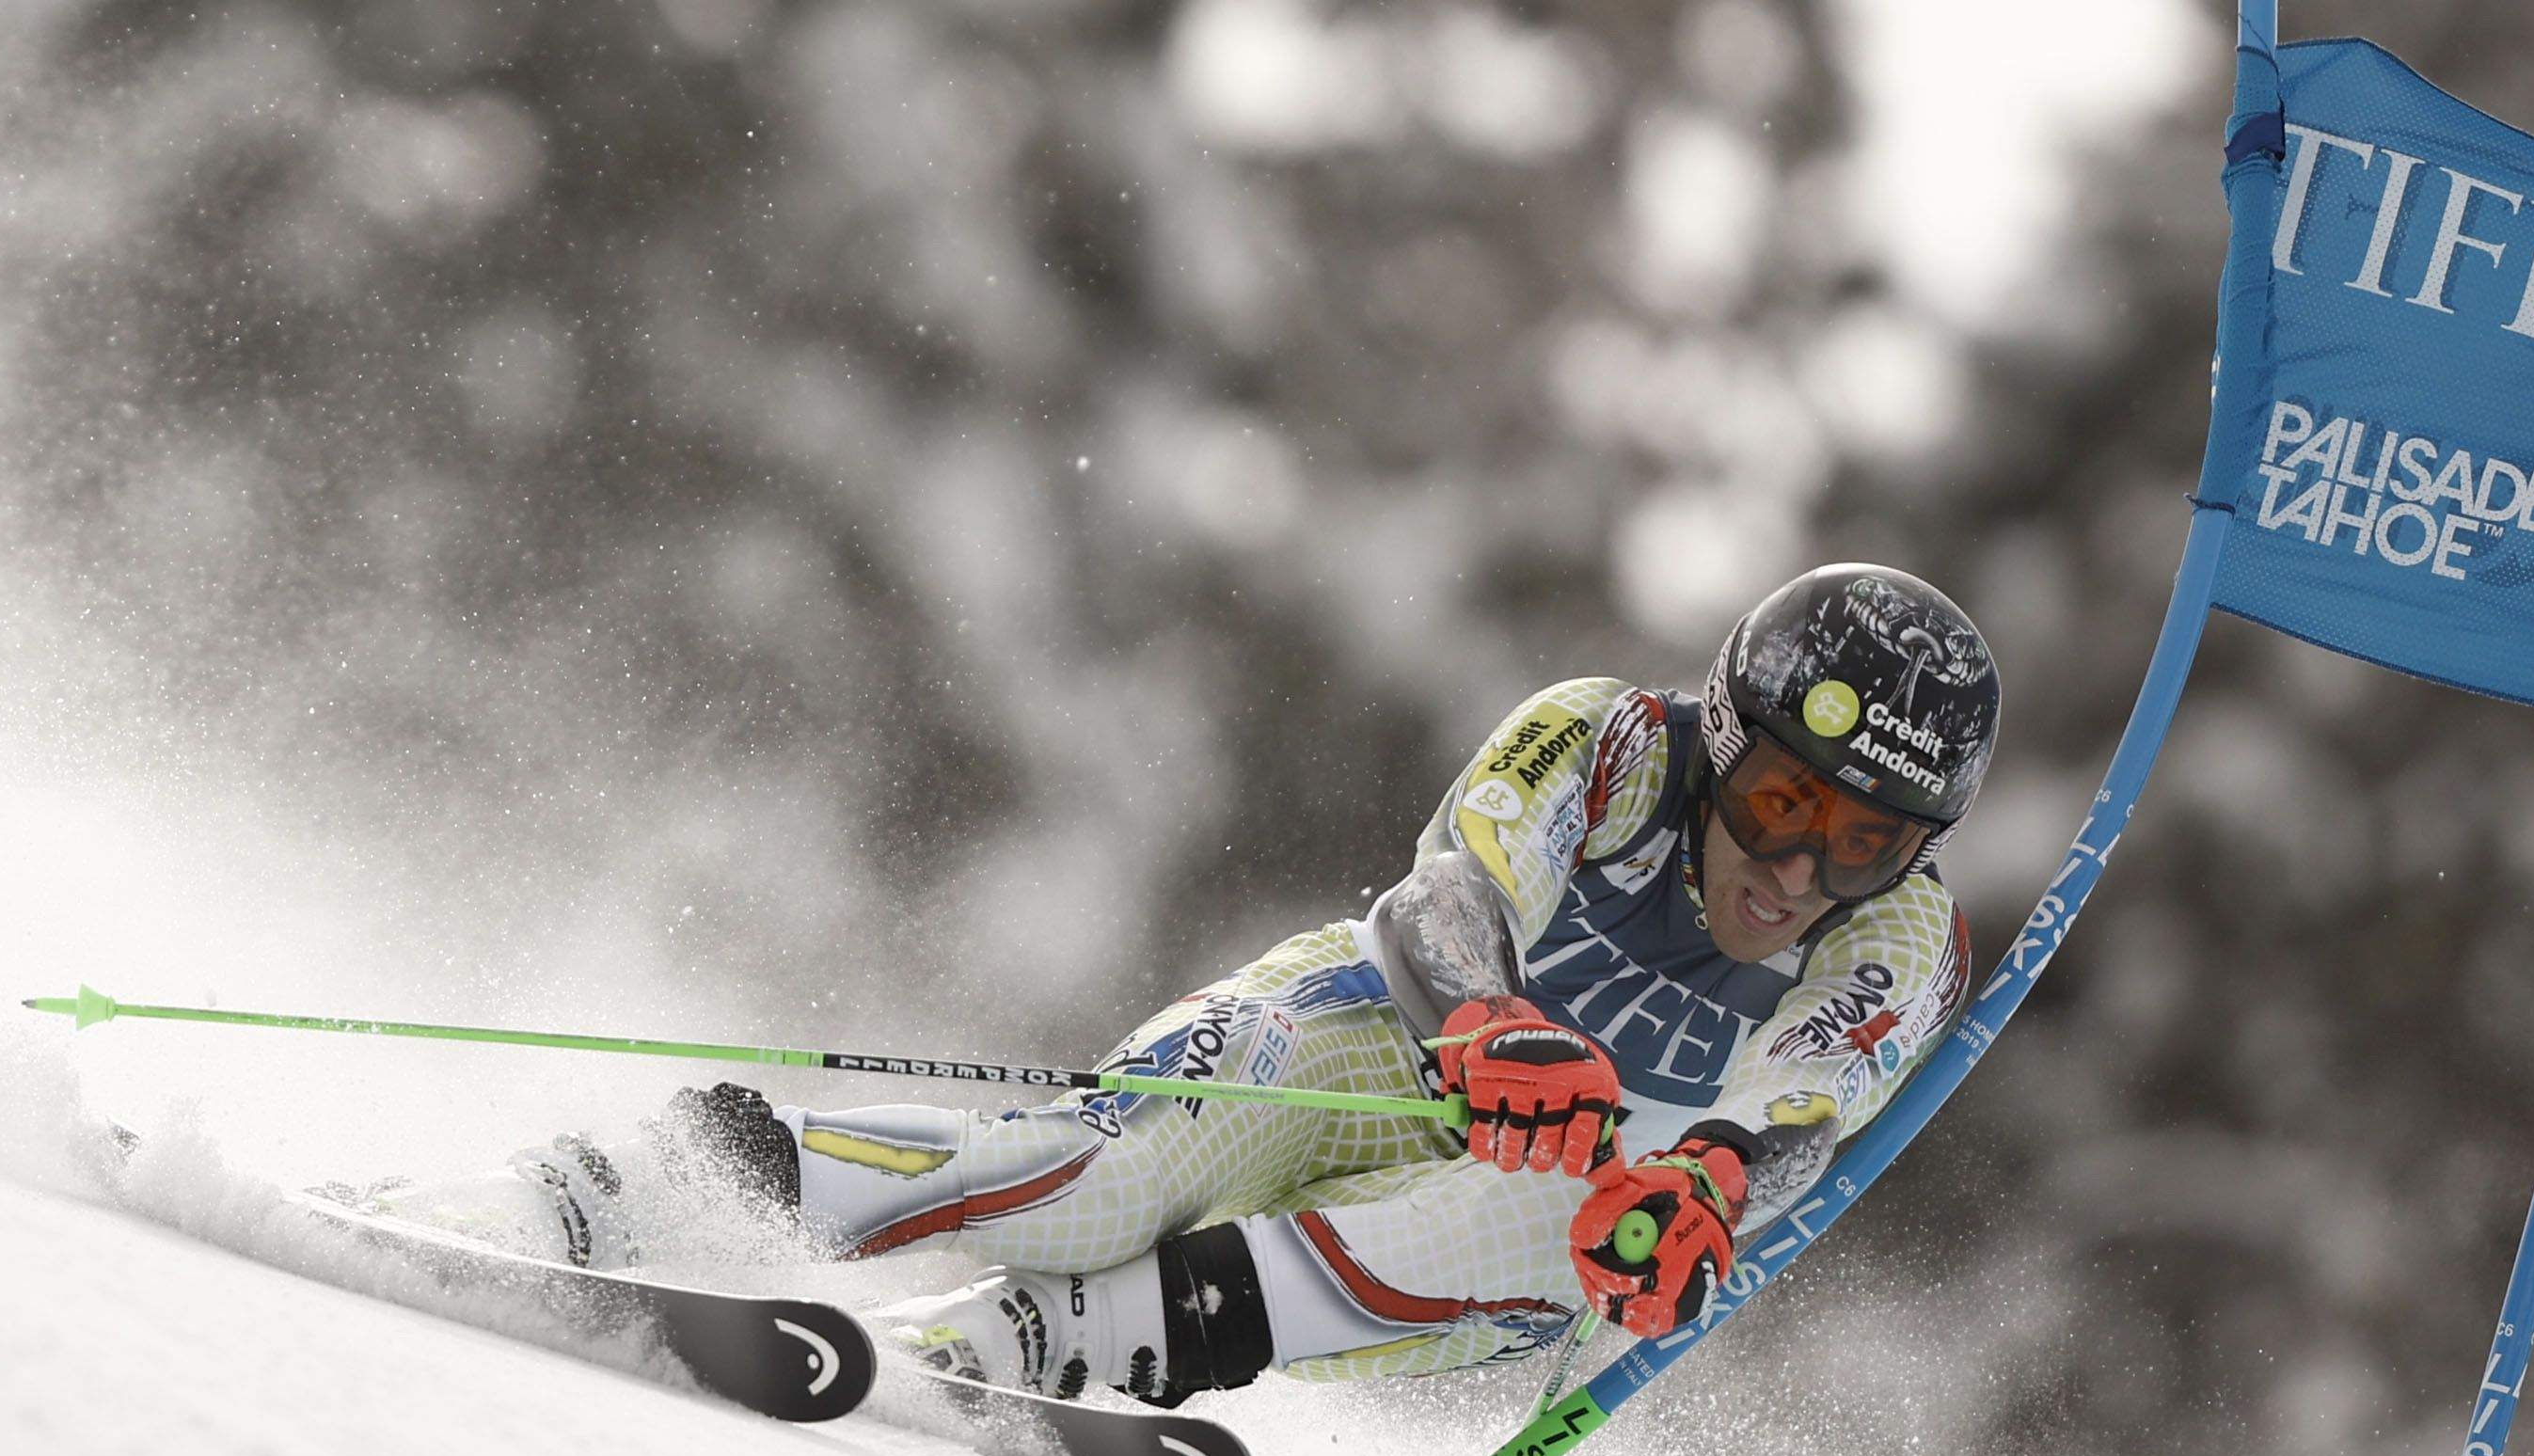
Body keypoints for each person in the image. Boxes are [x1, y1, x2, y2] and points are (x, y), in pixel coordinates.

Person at [363, 563, 1999, 1404]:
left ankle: (1024, 1357)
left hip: (1527, 1222)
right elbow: (1443, 908)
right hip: (1373, 1049)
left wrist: (1699, 1188)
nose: (1799, 869)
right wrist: (1492, 1021)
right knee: (1096, 1177)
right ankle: (585, 1195)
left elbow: (1794, 1121)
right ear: (1724, 738)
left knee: (1565, 1213)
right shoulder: (1609, 745)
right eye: (1784, 802)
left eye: (1861, 841)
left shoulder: (1903, 940)